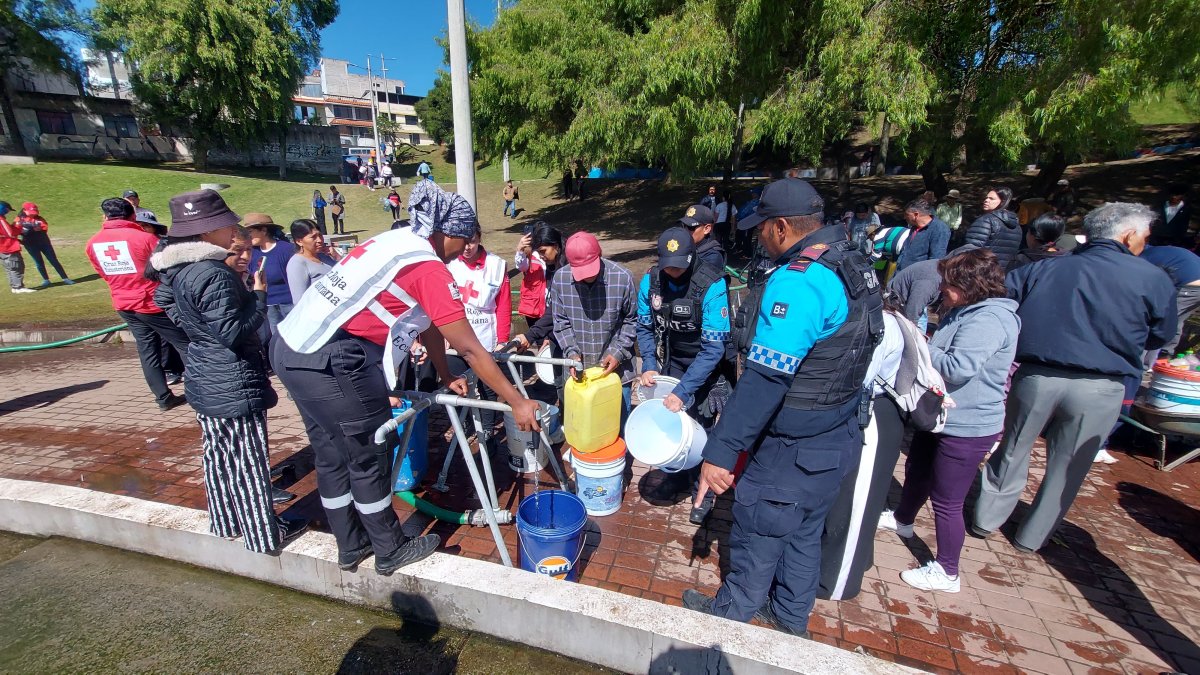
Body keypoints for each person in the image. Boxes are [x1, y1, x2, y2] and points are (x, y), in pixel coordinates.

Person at [272, 180, 540, 576]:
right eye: (461, 239)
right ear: (444, 232)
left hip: (292, 347)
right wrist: (516, 401)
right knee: (368, 456)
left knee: (330, 455)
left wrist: (445, 373)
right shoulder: (427, 265)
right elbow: (469, 347)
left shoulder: (393, 243)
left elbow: (426, 322)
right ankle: (389, 548)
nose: (462, 249)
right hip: (335, 358)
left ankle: (351, 546)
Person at [681, 178, 883, 638]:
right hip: (839, 434)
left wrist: (721, 451)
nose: (757, 237)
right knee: (804, 534)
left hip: (790, 448)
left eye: (762, 229)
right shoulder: (855, 263)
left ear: (782, 227)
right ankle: (790, 622)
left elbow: (767, 378)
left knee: (757, 535)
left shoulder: (800, 283)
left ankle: (728, 629)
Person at [974, 203, 1176, 552]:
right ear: (1128, 236)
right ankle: (1031, 537)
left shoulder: (1046, 267)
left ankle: (985, 519)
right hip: (1101, 385)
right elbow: (1162, 334)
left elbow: (1002, 303)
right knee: (1067, 465)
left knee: (1013, 448)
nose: (1145, 242)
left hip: (1036, 376)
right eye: (1144, 235)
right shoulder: (1152, 277)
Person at [149, 189, 307, 553]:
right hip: (231, 377)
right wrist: (258, 298)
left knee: (219, 454)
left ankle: (225, 523)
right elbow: (234, 332)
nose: (233, 230)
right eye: (225, 224)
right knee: (250, 461)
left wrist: (194, 336)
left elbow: (163, 301)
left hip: (204, 373)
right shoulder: (213, 272)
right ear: (207, 232)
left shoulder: (177, 267)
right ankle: (265, 535)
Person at [879, 250, 1020, 592]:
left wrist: (920, 343)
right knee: (918, 471)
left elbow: (959, 367)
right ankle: (903, 520)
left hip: (968, 424)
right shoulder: (965, 311)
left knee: (948, 499)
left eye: (949, 283)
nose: (941, 288)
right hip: (942, 414)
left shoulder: (988, 320)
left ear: (971, 285)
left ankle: (947, 570)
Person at [636, 227, 731, 523]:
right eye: (668, 264)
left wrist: (685, 390)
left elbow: (714, 349)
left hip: (710, 366)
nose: (673, 271)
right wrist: (649, 363)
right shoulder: (651, 281)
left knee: (705, 427)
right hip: (674, 359)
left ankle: (703, 492)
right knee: (672, 421)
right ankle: (676, 477)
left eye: (680, 264)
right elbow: (644, 327)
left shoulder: (712, 284)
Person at [818, 292, 904, 601]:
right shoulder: (858, 315)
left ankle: (836, 583)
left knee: (855, 505)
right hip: (855, 409)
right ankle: (855, 559)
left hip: (874, 416)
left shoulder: (881, 324)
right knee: (847, 502)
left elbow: (859, 377)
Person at [86, 197, 191, 410]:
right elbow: (166, 267)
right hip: (152, 303)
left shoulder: (93, 243)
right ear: (133, 215)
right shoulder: (144, 239)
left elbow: (102, 272)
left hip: (124, 303)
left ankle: (163, 398)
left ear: (105, 216)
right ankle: (204, 389)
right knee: (186, 343)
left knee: (147, 351)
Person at [551, 231, 637, 423]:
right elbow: (561, 323)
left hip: (617, 373)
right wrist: (572, 354)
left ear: (600, 255)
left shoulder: (622, 278)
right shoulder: (560, 280)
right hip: (580, 375)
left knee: (617, 427)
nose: (587, 277)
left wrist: (618, 352)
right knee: (584, 429)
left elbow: (632, 320)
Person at [888, 244, 977, 333]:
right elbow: (912, 310)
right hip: (897, 304)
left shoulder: (944, 275)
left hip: (917, 304)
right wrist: (912, 335)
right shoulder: (931, 279)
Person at [1140, 243, 1200, 362]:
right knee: (1176, 319)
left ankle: (1147, 362)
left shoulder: (1143, 256)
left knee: (1161, 320)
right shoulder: (1162, 250)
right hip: (1192, 284)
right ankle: (1164, 356)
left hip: (1189, 286)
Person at [514, 223, 565, 351]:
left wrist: (530, 335)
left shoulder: (565, 269)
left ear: (556, 246)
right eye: (539, 252)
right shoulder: (548, 263)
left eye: (543, 251)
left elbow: (558, 307)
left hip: (563, 331)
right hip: (537, 308)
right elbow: (521, 266)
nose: (541, 256)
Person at [245, 214, 295, 341]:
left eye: (250, 231)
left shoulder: (286, 249)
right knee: (277, 341)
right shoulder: (253, 252)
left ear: (264, 230)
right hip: (268, 306)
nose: (248, 236)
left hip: (289, 303)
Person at [15, 203, 74, 286]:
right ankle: (46, 280)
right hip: (30, 245)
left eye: (34, 211)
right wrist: (22, 238)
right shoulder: (18, 220)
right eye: (31, 211)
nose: (34, 213)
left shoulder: (39, 219)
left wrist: (31, 229)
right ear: (24, 210)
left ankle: (65, 278)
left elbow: (44, 228)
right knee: (38, 262)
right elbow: (15, 231)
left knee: (53, 260)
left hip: (44, 243)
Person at [963, 187, 1021, 270]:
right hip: (1001, 274)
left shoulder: (987, 220)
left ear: (1003, 202)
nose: (986, 200)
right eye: (986, 198)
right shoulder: (1017, 226)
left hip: (980, 272)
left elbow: (970, 250)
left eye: (991, 198)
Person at [286, 219, 339, 305]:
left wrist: (337, 257)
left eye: (320, 235)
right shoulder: (297, 264)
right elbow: (299, 301)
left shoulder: (325, 255)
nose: (319, 240)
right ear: (299, 241)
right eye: (313, 237)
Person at [895, 198, 950, 271]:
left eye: (906, 214)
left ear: (916, 215)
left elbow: (936, 259)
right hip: (902, 273)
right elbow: (906, 251)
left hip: (918, 276)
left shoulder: (939, 229)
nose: (904, 217)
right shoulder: (914, 227)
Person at [0, 201, 34, 294]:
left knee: (10, 268)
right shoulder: (1, 219)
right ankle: (18, 287)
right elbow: (10, 233)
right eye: (7, 210)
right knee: (16, 266)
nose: (8, 212)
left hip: (3, 248)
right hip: (8, 247)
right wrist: (18, 227)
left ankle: (14, 287)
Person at [679, 204, 726, 270]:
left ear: (706, 229)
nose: (685, 230)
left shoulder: (713, 257)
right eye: (684, 225)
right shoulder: (686, 246)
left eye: (690, 227)